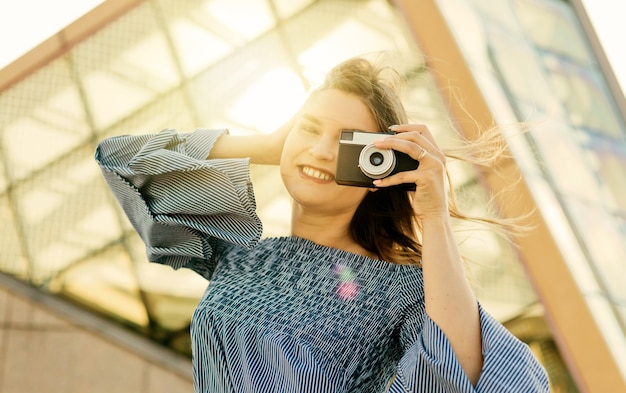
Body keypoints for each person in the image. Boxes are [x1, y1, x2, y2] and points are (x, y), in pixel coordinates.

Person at [95, 55, 549, 392]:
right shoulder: (241, 255)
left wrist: (433, 214)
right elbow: (120, 161)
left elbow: (468, 372)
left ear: (380, 169)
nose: (322, 150)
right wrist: (273, 145)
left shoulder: (401, 289)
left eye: (348, 143)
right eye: (310, 128)